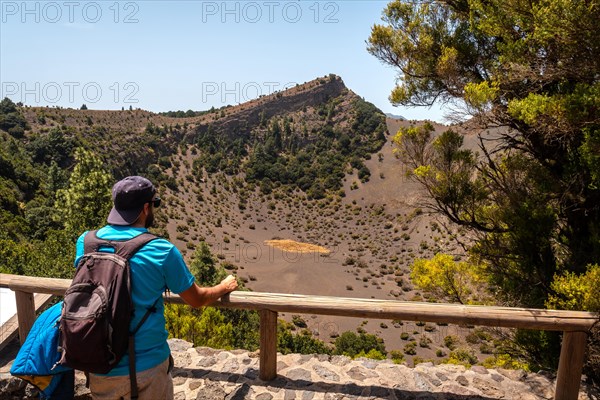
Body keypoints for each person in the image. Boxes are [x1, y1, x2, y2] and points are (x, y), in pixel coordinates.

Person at [74, 175, 238, 399]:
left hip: (99, 362)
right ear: (145, 207)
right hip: (147, 366)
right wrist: (223, 286)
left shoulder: (86, 242)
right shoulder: (161, 250)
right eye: (155, 204)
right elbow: (197, 299)